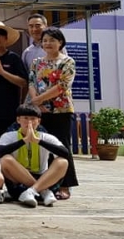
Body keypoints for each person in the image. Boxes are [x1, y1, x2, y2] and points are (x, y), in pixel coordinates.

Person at [26, 26, 78, 200]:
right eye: (45, 40)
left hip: (61, 111)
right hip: (40, 111)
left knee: (61, 147)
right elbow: (31, 82)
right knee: (42, 146)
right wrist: (36, 102)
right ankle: (46, 184)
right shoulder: (36, 62)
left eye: (52, 40)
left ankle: (65, 185)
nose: (48, 43)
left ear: (60, 42)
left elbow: (62, 86)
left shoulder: (67, 61)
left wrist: (39, 100)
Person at [0, 104, 70, 208]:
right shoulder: (9, 136)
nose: (29, 122)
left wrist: (38, 141)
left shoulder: (45, 137)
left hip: (43, 178)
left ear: (39, 121)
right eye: (25, 118)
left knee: (63, 162)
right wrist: (24, 141)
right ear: (18, 120)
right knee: (5, 159)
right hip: (19, 180)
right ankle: (43, 191)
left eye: (33, 119)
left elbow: (65, 153)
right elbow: (0, 152)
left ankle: (33, 190)